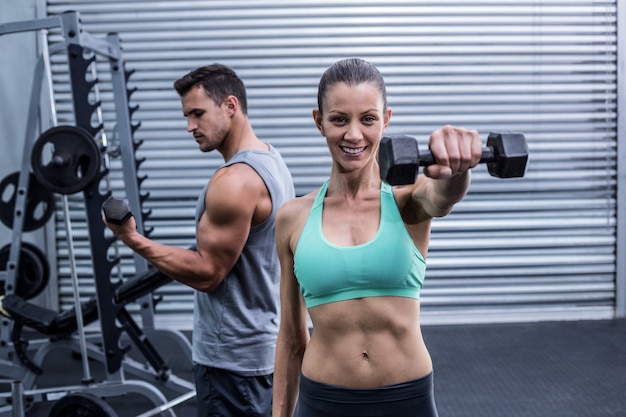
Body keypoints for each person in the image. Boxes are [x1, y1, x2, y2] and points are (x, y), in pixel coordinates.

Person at [272, 58, 484, 417]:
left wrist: (457, 169)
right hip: (323, 401)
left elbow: (443, 195)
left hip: (407, 401)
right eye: (339, 119)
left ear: (385, 120)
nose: (354, 135)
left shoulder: (407, 200)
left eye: (367, 119)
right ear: (318, 121)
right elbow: (292, 339)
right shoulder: (293, 218)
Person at [104, 63, 295, 417]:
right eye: (186, 116)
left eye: (197, 114)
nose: (190, 126)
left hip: (230, 359)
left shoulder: (234, 181)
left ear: (231, 106)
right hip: (261, 349)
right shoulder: (273, 159)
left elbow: (208, 273)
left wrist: (131, 238)